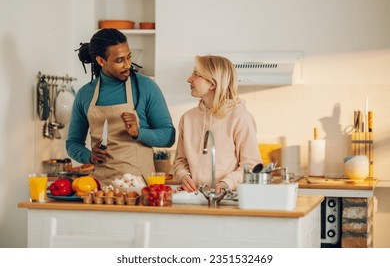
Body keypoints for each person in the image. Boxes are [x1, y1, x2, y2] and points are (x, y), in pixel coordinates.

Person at [66, 28, 175, 186]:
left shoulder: (145, 87)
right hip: (100, 187)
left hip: (140, 187)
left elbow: (168, 136)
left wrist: (139, 133)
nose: (128, 65)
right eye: (119, 60)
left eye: (129, 57)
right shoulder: (85, 94)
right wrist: (89, 156)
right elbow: (73, 143)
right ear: (101, 61)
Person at [174, 55, 262, 193]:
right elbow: (180, 161)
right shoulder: (187, 118)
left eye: (196, 75)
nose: (189, 79)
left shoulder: (240, 117)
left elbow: (251, 165)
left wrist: (226, 184)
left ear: (213, 84)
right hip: (195, 197)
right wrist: (183, 176)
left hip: (228, 198)